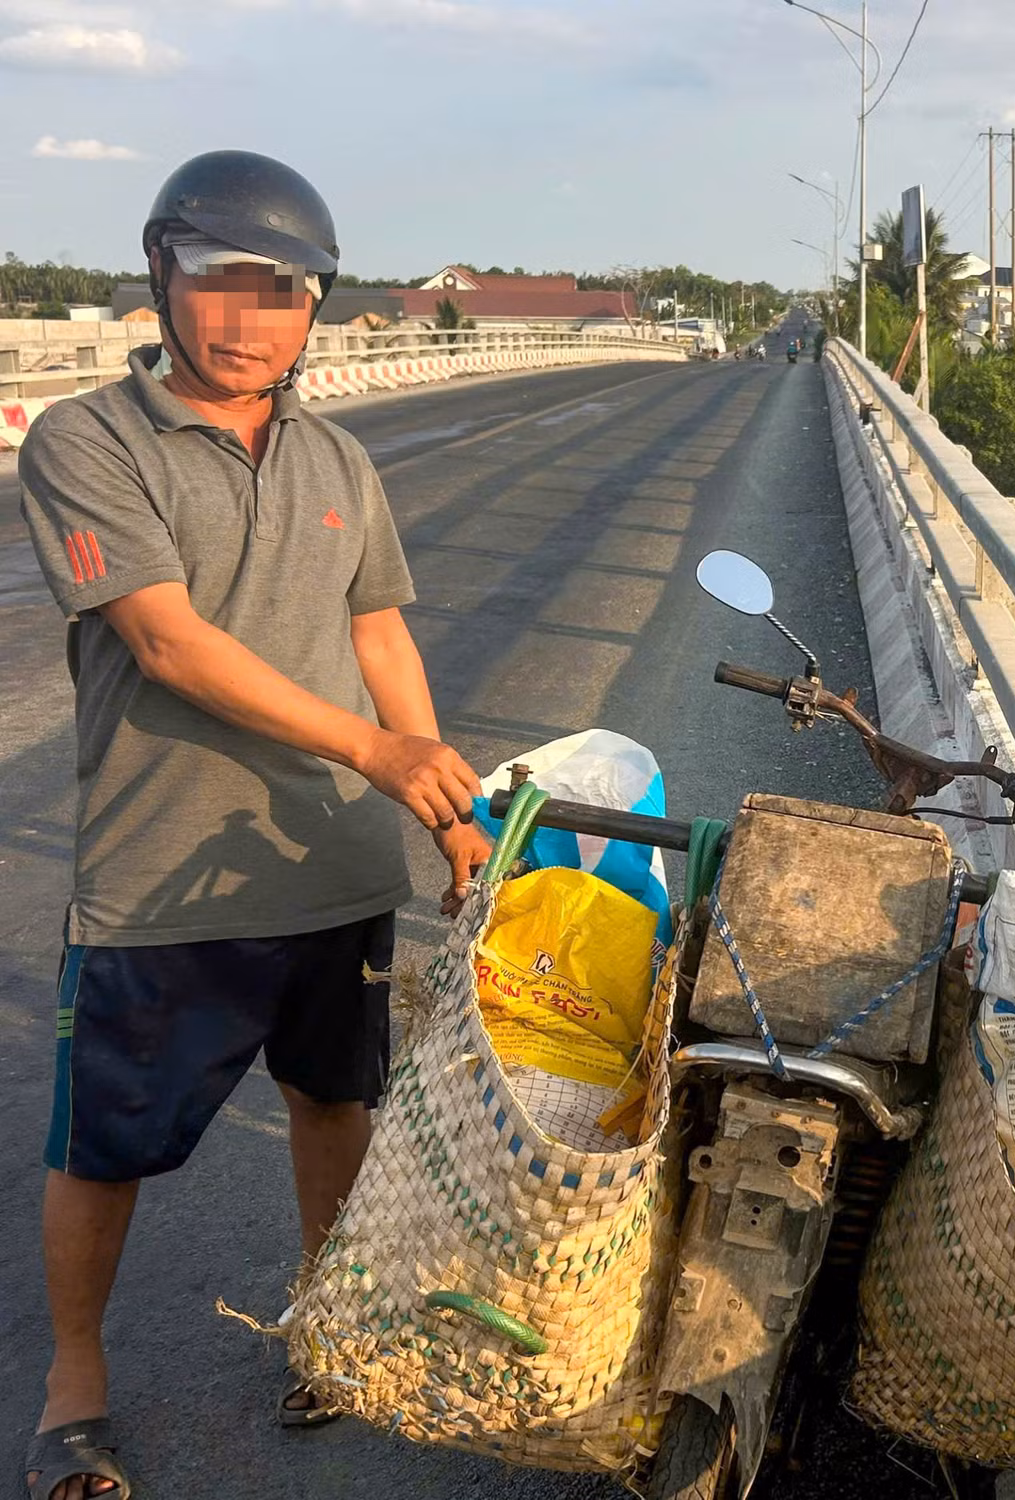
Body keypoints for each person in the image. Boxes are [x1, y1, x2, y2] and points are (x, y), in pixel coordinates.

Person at [15, 150, 491, 1500]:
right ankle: (73, 1380)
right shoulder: (87, 444)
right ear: (160, 276)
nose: (245, 320)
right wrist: (375, 751)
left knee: (334, 1100)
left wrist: (443, 805)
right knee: (104, 1144)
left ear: (314, 308)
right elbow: (165, 643)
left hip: (334, 865)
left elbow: (378, 629)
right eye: (217, 281)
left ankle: (321, 1321)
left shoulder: (337, 457)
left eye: (280, 293)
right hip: (163, 878)